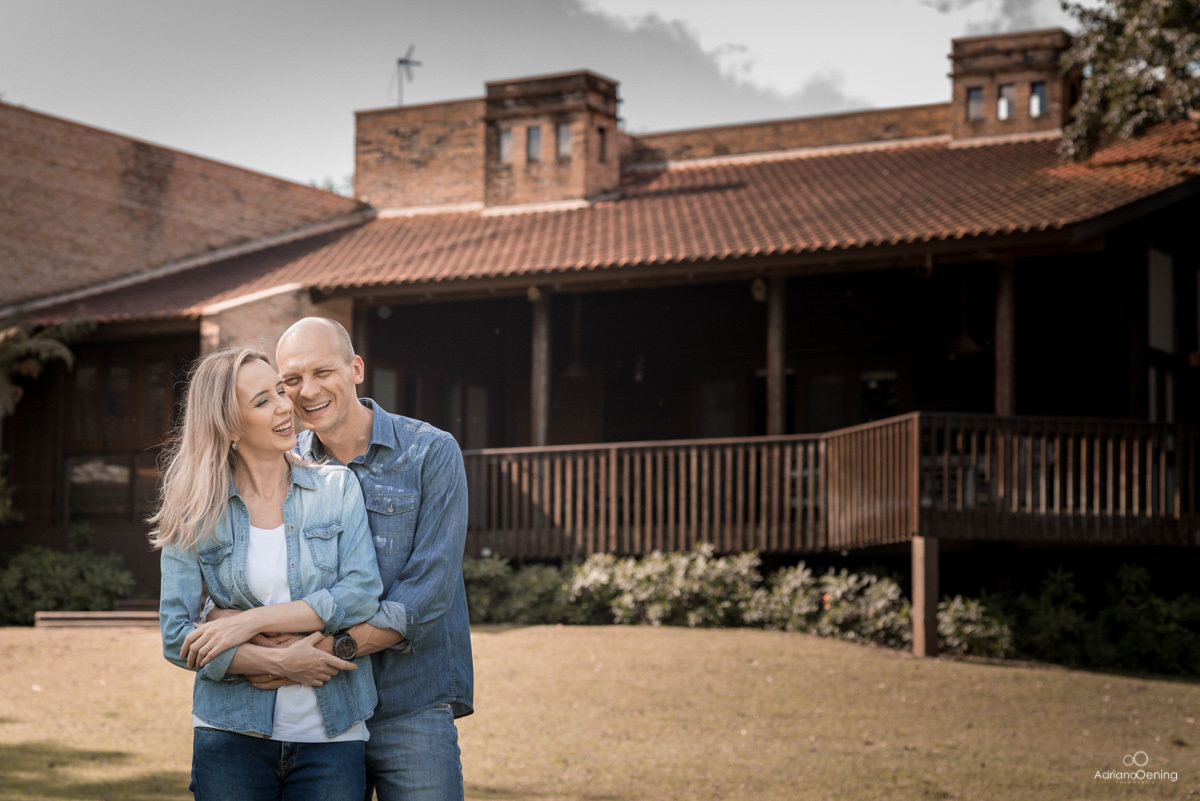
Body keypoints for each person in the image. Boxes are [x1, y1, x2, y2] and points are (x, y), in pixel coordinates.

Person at [213, 317, 474, 801]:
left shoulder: (430, 454)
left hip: (410, 705)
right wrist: (227, 617)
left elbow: (426, 595)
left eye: (322, 372)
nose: (307, 390)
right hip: (320, 716)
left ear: (355, 369)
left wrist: (312, 657)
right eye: (290, 380)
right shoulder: (285, 465)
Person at [152, 346, 385, 801]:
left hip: (333, 736)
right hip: (229, 735)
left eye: (279, 390)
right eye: (262, 401)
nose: (284, 406)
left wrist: (248, 621)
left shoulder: (336, 487)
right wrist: (281, 663)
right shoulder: (195, 508)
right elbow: (175, 634)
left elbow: (361, 595)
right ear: (229, 425)